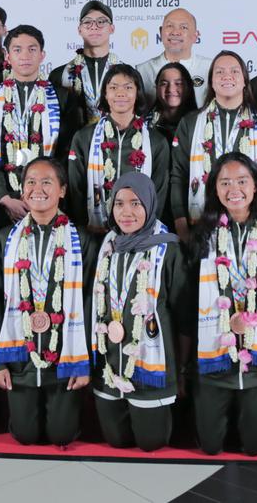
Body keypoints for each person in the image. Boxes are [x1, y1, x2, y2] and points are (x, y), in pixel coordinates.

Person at [190, 153, 257, 456]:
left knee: (253, 448)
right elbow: (190, 301)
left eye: (241, 181)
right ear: (215, 190)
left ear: (256, 186)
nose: (233, 188)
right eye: (224, 182)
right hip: (214, 357)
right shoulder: (202, 236)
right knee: (210, 446)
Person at [0, 158, 91, 446]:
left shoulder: (81, 241)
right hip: (20, 358)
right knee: (25, 435)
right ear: (22, 191)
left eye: (47, 182)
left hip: (64, 359)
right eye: (30, 182)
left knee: (62, 435)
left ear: (63, 190)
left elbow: (91, 304)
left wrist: (84, 364)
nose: (38, 189)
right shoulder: (5, 240)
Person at [86, 172, 186, 451]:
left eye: (135, 203)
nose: (126, 212)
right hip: (109, 365)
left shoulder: (169, 250)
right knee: (116, 442)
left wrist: (181, 369)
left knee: (150, 443)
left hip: (150, 369)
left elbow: (182, 316)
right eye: (119, 203)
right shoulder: (107, 246)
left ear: (150, 205)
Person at [170, 51, 257, 242]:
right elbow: (178, 176)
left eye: (234, 71)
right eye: (220, 72)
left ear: (244, 81)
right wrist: (182, 229)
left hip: (253, 233)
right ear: (211, 82)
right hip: (200, 228)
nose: (227, 76)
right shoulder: (190, 123)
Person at [0, 26, 80, 223]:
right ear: (7, 56)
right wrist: (4, 197)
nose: (25, 55)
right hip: (2, 205)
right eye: (17, 50)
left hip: (49, 202)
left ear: (42, 55)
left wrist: (43, 196)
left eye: (32, 49)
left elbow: (66, 153)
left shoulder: (62, 98)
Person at [67, 65, 170, 234]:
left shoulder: (156, 141)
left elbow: (159, 191)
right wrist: (84, 230)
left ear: (138, 93)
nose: (121, 93)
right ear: (105, 94)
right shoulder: (84, 137)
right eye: (113, 88)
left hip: (140, 234)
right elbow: (76, 190)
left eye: (128, 87)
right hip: (94, 232)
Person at [51, 0, 120, 125]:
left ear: (112, 28)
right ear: (79, 30)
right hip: (74, 143)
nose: (94, 26)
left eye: (101, 21)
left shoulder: (126, 74)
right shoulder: (59, 75)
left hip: (115, 143)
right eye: (87, 22)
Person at [136, 8, 212, 105]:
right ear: (160, 32)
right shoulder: (143, 70)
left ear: (195, 36)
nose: (175, 32)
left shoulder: (210, 68)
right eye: (170, 26)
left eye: (183, 27)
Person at [150, 62, 198, 147]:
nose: (171, 89)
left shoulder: (200, 124)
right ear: (156, 88)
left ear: (189, 87)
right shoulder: (145, 125)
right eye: (164, 84)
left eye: (178, 83)